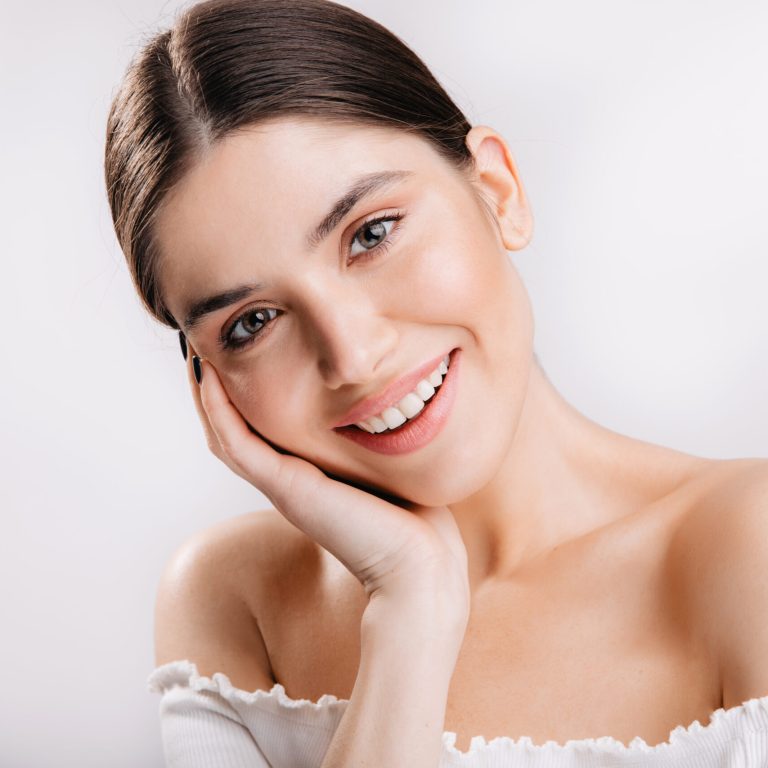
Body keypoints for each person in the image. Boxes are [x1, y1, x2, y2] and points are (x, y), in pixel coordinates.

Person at [104, 0, 768, 765]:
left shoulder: (745, 547)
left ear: (497, 190)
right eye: (252, 323)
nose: (353, 356)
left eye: (372, 234)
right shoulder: (233, 601)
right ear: (209, 380)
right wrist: (410, 606)